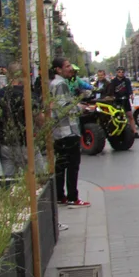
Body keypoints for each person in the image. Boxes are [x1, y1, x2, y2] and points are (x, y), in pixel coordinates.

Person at [50, 58, 88, 207]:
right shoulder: (61, 84)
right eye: (67, 66)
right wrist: (80, 108)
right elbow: (63, 109)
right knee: (72, 165)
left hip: (58, 131)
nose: (70, 68)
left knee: (60, 165)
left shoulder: (53, 83)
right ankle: (73, 197)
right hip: (68, 131)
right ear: (58, 69)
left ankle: (60, 195)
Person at [105, 67, 139, 139]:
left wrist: (131, 95)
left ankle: (135, 131)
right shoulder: (114, 81)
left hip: (125, 99)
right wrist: (111, 96)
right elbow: (111, 91)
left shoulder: (127, 80)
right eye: (119, 72)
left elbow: (129, 89)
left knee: (130, 115)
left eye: (122, 72)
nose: (121, 73)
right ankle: (120, 131)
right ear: (117, 73)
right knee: (118, 116)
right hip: (117, 100)